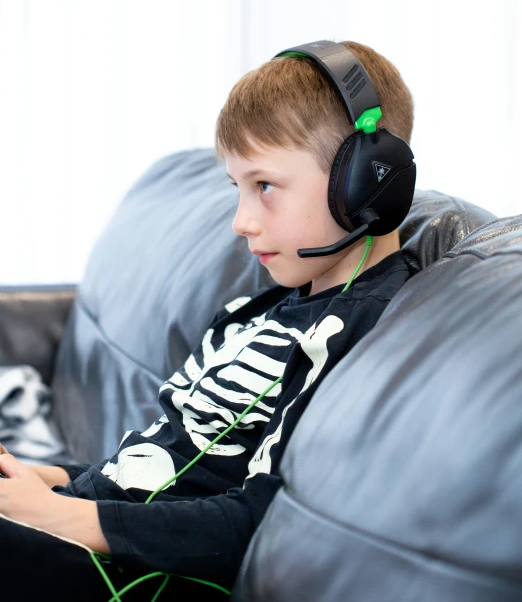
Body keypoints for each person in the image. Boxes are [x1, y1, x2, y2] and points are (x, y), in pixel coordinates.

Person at [0, 40, 414, 601]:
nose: (242, 221)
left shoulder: (358, 331)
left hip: (141, 574)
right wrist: (56, 481)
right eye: (237, 189)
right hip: (95, 532)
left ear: (367, 181)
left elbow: (260, 521)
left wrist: (56, 516)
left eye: (264, 186)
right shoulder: (260, 308)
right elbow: (167, 460)